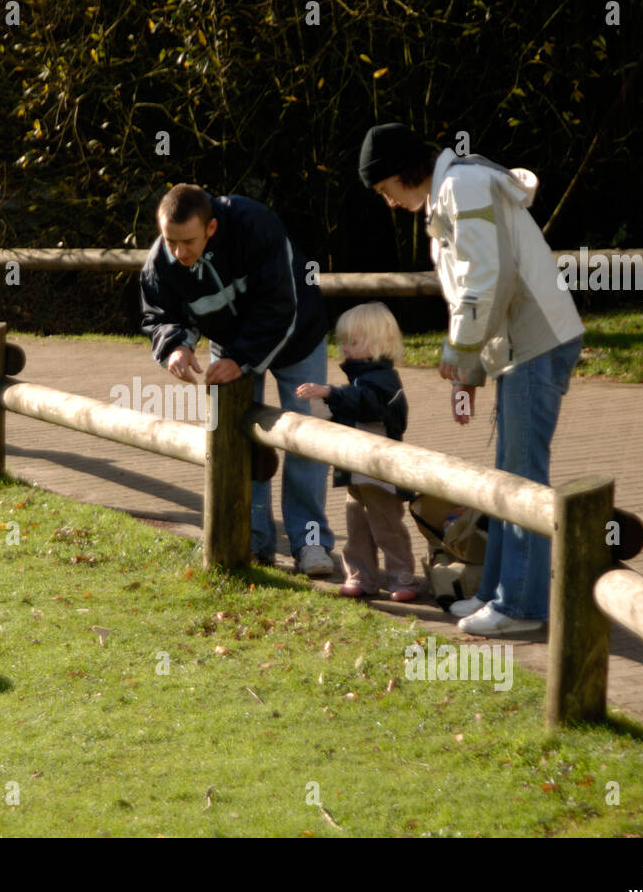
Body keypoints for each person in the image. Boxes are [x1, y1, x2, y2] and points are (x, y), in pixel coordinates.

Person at [357, 123, 584, 635]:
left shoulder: (462, 187)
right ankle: (495, 592)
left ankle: (522, 607)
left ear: (399, 173)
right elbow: (480, 288)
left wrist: (459, 350)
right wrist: (472, 369)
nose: (389, 202)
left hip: (536, 342)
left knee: (522, 477)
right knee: (507, 476)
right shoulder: (449, 197)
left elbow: (487, 278)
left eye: (384, 189)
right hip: (518, 345)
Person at [139, 184, 335, 576]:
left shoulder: (256, 226)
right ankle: (253, 540)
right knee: (235, 438)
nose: (178, 252)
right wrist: (176, 346)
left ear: (211, 227)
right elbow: (160, 314)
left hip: (298, 339)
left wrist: (242, 360)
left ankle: (310, 542)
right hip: (230, 346)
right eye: (170, 240)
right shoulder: (161, 260)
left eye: (187, 241)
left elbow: (281, 306)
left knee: (307, 442)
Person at [296, 302, 418, 601]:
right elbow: (351, 410)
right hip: (356, 473)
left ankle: (402, 577)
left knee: (387, 528)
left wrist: (331, 393)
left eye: (353, 341)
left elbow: (368, 404)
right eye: (343, 342)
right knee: (357, 529)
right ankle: (361, 576)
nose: (345, 348)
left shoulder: (384, 381)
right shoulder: (358, 379)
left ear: (378, 344)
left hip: (380, 473)